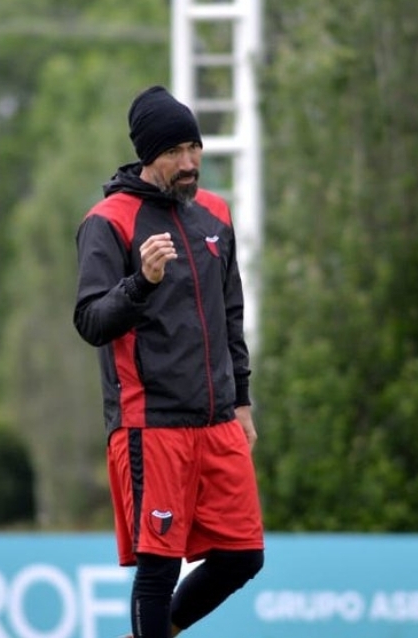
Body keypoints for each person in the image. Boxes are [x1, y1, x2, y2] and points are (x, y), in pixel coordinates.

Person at [72, 85, 265, 638]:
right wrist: (142, 281)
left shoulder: (215, 214)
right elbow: (90, 320)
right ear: (148, 155)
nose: (189, 163)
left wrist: (242, 400)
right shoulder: (108, 222)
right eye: (175, 152)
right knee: (158, 568)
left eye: (194, 148)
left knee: (243, 556)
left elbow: (231, 312)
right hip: (150, 424)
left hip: (218, 421)